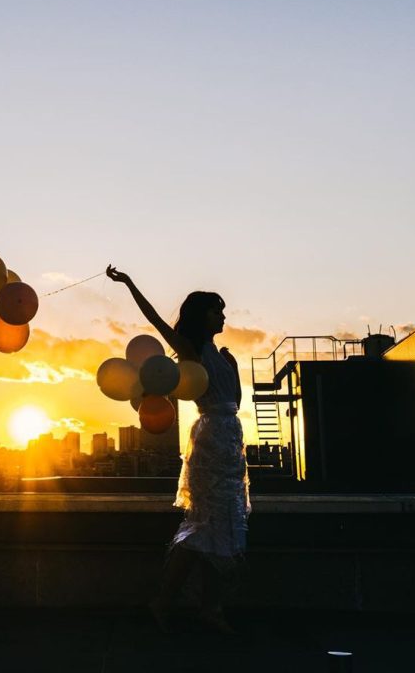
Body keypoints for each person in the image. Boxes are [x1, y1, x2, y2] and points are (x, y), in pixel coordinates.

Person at [105, 264, 250, 632]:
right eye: (217, 310)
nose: (223, 315)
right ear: (203, 315)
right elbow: (156, 321)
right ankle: (203, 608)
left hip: (231, 439)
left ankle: (184, 604)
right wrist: (129, 283)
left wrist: (234, 369)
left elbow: (234, 399)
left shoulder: (220, 354)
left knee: (222, 527)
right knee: (211, 525)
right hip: (212, 441)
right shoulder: (191, 348)